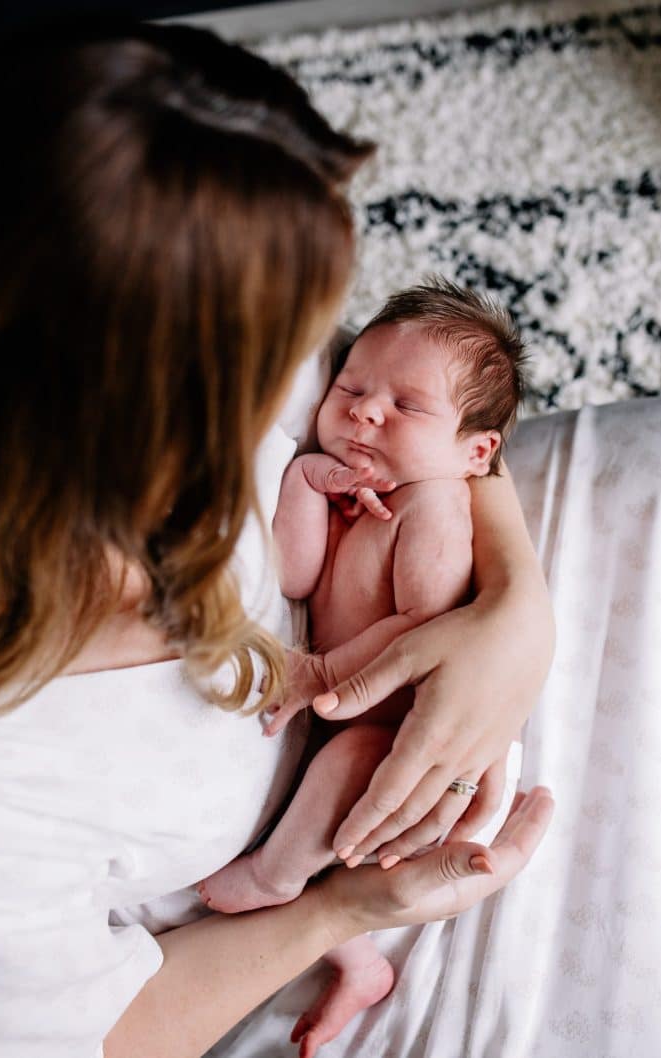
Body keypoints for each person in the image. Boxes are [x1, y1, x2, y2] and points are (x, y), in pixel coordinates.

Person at [0, 17, 554, 1058]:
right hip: (300, 893)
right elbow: (104, 1034)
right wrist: (346, 911)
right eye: (283, 348)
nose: (320, 388)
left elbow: (447, 435)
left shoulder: (200, 380)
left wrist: (512, 611)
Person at [198, 279, 527, 1057]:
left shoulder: (436, 504)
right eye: (349, 387)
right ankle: (359, 970)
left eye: (406, 408)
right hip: (355, 709)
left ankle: (274, 881)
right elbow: (294, 577)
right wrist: (308, 483)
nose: (363, 411)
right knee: (322, 799)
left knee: (343, 767)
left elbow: (418, 626)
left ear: (475, 451)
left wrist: (323, 675)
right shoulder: (355, 486)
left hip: (411, 737)